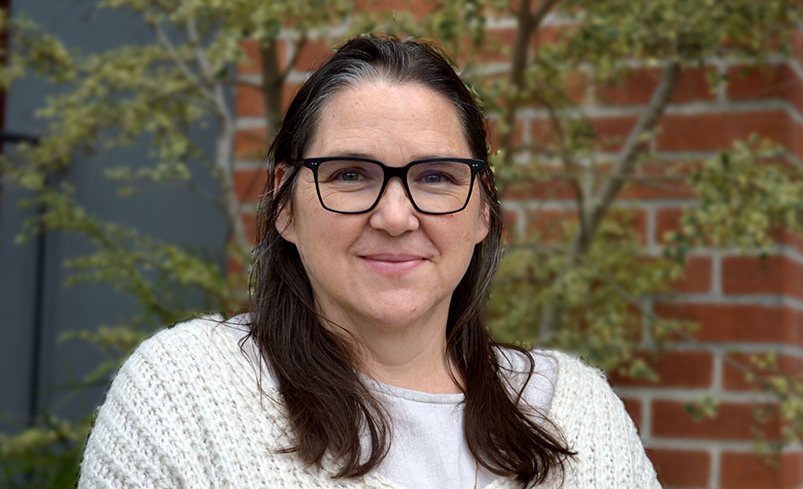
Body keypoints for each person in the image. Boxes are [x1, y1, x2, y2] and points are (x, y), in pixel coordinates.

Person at [77, 35, 660, 488]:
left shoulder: (579, 415)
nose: (396, 217)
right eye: (351, 174)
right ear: (285, 205)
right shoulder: (184, 397)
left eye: (435, 177)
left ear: (482, 211)